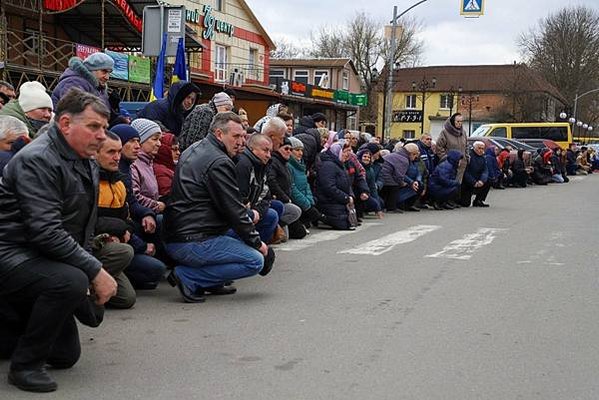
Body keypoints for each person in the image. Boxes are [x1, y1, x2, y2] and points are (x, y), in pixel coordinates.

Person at [0, 88, 118, 392]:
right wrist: (93, 271)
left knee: (66, 356)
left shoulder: (85, 157)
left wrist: (90, 269)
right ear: (65, 124)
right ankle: (24, 366)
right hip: (12, 253)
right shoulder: (38, 159)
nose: (102, 136)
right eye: (93, 127)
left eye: (104, 128)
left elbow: (81, 223)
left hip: (40, 256)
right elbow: (45, 231)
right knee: (69, 282)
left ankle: (13, 323)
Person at [163, 112, 273, 303]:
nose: (241, 142)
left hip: (179, 232)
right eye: (236, 136)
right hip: (191, 239)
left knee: (242, 234)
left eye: (243, 137)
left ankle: (210, 281)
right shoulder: (219, 162)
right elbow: (234, 210)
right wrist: (260, 245)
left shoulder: (195, 148)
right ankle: (188, 277)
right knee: (255, 261)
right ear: (219, 134)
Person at [96, 131, 167, 293]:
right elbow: (92, 220)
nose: (117, 157)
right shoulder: (90, 182)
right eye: (111, 152)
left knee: (129, 296)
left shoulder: (118, 180)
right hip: (98, 243)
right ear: (95, 153)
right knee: (130, 254)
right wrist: (139, 244)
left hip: (121, 237)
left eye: (118, 152)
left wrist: (146, 214)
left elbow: (127, 212)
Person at [235, 134, 280, 242]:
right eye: (265, 150)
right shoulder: (243, 165)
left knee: (276, 210)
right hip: (238, 215)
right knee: (272, 215)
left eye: (270, 151)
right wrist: (251, 212)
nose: (269, 155)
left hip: (252, 208)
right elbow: (239, 198)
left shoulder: (262, 166)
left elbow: (266, 196)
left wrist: (257, 212)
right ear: (252, 149)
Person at [267, 137, 304, 239]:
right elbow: (271, 181)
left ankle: (276, 227)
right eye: (286, 149)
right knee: (295, 211)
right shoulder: (274, 161)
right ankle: (273, 228)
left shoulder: (284, 163)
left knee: (288, 236)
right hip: (279, 200)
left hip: (286, 198)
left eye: (291, 149)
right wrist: (284, 198)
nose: (289, 152)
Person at [316, 141, 355, 230]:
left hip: (338, 201)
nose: (347, 154)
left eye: (349, 151)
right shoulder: (328, 165)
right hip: (328, 201)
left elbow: (347, 184)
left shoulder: (340, 164)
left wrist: (350, 196)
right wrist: (345, 198)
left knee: (348, 222)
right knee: (343, 224)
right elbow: (329, 187)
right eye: (344, 151)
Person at [130, 119, 165, 214]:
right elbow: (134, 197)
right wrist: (157, 205)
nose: (159, 144)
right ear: (140, 141)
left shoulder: (148, 162)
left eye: (160, 140)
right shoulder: (133, 164)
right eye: (155, 139)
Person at [287, 136, 323, 229]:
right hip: (297, 202)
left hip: (304, 200)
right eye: (297, 150)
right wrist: (307, 204)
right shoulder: (288, 166)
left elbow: (306, 185)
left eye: (301, 150)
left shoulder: (301, 165)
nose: (300, 153)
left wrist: (310, 200)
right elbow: (293, 188)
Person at [379, 142, 413, 212]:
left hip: (382, 174)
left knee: (388, 188)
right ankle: (391, 207)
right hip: (386, 176)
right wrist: (402, 183)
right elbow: (399, 175)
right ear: (412, 153)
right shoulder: (404, 160)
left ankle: (384, 206)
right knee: (394, 186)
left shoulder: (397, 154)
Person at [436, 113, 468, 185]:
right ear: (453, 121)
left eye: (461, 122)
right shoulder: (445, 132)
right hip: (449, 165)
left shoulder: (463, 133)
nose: (460, 124)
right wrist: (445, 159)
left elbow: (466, 146)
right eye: (458, 121)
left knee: (458, 186)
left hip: (461, 165)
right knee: (449, 187)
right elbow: (439, 147)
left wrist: (467, 157)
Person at [461, 141, 490, 207]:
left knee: (488, 181)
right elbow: (465, 172)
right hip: (468, 182)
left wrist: (482, 180)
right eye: (479, 148)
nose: (481, 150)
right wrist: (473, 182)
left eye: (482, 148)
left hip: (478, 180)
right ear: (474, 148)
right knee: (465, 204)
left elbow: (485, 170)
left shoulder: (483, 158)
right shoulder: (469, 157)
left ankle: (479, 200)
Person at [153, 132, 180, 199]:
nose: (178, 153)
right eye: (174, 149)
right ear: (164, 150)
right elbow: (170, 197)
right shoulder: (160, 172)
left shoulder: (170, 167)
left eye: (178, 149)